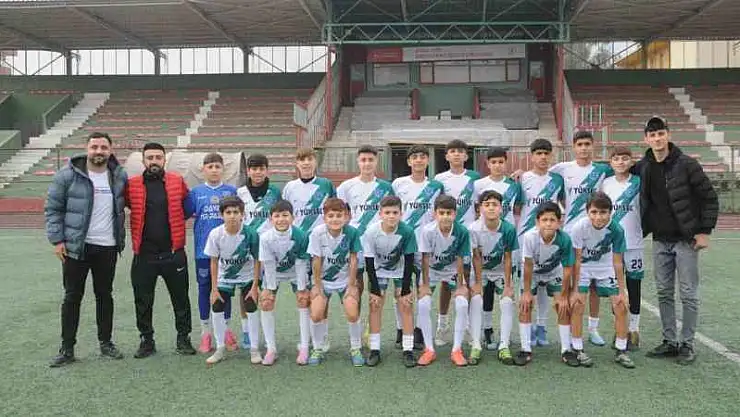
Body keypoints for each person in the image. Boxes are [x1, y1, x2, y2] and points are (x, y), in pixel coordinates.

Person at [634, 116, 718, 365]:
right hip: (660, 240)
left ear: (668, 135)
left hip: (685, 240)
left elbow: (709, 198)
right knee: (663, 292)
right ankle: (670, 341)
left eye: (661, 133)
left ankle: (687, 344)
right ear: (646, 139)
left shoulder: (687, 164)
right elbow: (619, 170)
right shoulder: (644, 166)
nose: (657, 138)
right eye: (652, 135)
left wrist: (704, 231)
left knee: (688, 293)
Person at [45, 132, 128, 367]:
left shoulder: (119, 175)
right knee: (72, 297)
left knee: (105, 295)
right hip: (76, 248)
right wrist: (57, 240)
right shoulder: (67, 175)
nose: (99, 151)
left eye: (103, 147)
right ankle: (67, 348)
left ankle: (106, 343)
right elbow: (53, 208)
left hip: (107, 246)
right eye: (94, 147)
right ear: (87, 149)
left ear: (110, 150)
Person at [126, 142, 196, 358]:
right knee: (143, 300)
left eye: (158, 157)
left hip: (173, 253)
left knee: (181, 298)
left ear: (165, 160)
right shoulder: (132, 185)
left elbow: (187, 208)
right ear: (143, 161)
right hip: (144, 254)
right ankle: (146, 340)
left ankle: (183, 338)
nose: (154, 161)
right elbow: (128, 205)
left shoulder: (177, 181)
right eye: (150, 157)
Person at [548, 131, 613, 347]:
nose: (584, 148)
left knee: (593, 285)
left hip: (595, 232)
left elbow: (624, 169)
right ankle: (568, 330)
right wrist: (520, 173)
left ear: (593, 146)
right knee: (568, 282)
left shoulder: (602, 170)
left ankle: (593, 329)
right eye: (580, 144)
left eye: (587, 144)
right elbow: (540, 174)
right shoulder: (562, 168)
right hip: (570, 233)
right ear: (573, 147)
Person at [569, 192, 634, 368]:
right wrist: (575, 290)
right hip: (584, 268)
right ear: (587, 212)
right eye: (594, 212)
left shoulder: (616, 229)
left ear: (610, 213)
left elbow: (618, 261)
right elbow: (577, 260)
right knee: (577, 304)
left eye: (603, 212)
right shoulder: (579, 227)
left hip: (606, 268)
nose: (598, 217)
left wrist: (622, 290)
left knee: (620, 306)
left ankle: (621, 350)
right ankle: (577, 348)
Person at [336, 145, 394, 342]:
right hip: (356, 243)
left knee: (378, 286)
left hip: (380, 243)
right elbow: (340, 213)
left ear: (376, 162)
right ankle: (358, 327)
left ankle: (372, 326)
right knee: (357, 285)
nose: (367, 163)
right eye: (363, 160)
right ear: (358, 162)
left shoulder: (386, 187)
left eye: (371, 160)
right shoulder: (346, 187)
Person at [282, 148, 336, 351]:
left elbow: (334, 210)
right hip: (299, 247)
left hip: (322, 246)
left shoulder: (326, 184)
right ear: (297, 164)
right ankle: (307, 338)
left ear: (315, 162)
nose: (306, 163)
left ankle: (323, 336)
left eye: (309, 159)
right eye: (302, 160)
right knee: (303, 293)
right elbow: (285, 214)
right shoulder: (290, 187)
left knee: (322, 291)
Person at [185, 153, 238, 354]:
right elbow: (185, 213)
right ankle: (206, 333)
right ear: (203, 170)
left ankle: (225, 330)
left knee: (225, 289)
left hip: (228, 253)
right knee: (204, 289)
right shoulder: (196, 193)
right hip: (203, 252)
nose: (214, 170)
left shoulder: (231, 191)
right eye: (210, 166)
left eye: (217, 166)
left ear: (223, 169)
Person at [391, 145, 443, 349]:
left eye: (423, 156)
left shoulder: (436, 186)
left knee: (423, 290)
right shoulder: (398, 184)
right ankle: (401, 329)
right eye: (415, 157)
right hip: (402, 245)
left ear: (428, 161)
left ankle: (420, 331)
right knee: (400, 290)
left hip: (426, 246)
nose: (419, 160)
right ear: (409, 161)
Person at [516, 139, 565, 347]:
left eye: (546, 153)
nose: (543, 157)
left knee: (545, 283)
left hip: (550, 238)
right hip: (526, 238)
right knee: (527, 284)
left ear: (551, 155)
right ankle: (527, 328)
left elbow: (563, 204)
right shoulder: (522, 179)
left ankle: (541, 326)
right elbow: (516, 206)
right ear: (532, 156)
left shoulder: (558, 179)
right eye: (538, 153)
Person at [473, 146, 522, 350]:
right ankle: (486, 329)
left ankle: (505, 335)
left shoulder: (514, 185)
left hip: (506, 239)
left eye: (501, 162)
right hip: (485, 238)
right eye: (493, 162)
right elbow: (476, 209)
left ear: (506, 162)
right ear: (487, 164)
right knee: (486, 290)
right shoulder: (478, 184)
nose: (497, 165)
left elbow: (519, 207)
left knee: (506, 291)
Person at [432, 139, 480, 346]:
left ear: (466, 156)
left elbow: (481, 203)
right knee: (445, 281)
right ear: (446, 156)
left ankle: (467, 326)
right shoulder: (439, 179)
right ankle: (442, 326)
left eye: (461, 151)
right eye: (452, 151)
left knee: (466, 280)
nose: (457, 154)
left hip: (467, 235)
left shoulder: (476, 178)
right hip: (446, 235)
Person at [203, 197, 261, 365]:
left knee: (251, 305)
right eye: (228, 212)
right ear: (222, 215)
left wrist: (255, 286)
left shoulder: (251, 233)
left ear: (242, 214)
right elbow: (214, 262)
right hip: (225, 277)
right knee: (217, 305)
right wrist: (214, 288)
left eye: (236, 212)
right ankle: (220, 348)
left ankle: (254, 349)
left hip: (247, 276)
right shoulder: (215, 234)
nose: (232, 216)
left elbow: (258, 260)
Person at [307, 198, 364, 367]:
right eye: (331, 216)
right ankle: (317, 348)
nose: (335, 219)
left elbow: (353, 260)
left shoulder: (352, 232)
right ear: (324, 218)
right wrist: (317, 286)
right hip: (324, 281)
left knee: (352, 313)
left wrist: (351, 285)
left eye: (339, 215)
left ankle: (356, 348)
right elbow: (316, 260)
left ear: (346, 217)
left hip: (345, 281)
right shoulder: (317, 233)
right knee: (316, 314)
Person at [362, 196, 418, 368]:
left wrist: (406, 288)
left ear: (401, 214)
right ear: (380, 214)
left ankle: (408, 349)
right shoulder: (371, 232)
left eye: (395, 212)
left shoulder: (407, 231)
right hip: (378, 270)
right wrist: (375, 290)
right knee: (375, 305)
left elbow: (409, 259)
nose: (391, 216)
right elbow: (369, 262)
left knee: (406, 305)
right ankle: (375, 349)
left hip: (401, 270)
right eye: (387, 212)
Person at [518, 202, 576, 367]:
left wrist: (563, 296)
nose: (548, 224)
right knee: (525, 304)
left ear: (559, 223)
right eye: (544, 220)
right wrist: (527, 292)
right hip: (533, 273)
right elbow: (528, 265)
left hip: (554, 273)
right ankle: (525, 349)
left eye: (552, 220)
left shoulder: (564, 239)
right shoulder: (530, 237)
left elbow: (567, 269)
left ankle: (566, 349)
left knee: (562, 306)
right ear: (537, 222)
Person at [417, 195, 472, 367]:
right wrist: (425, 284)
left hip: (453, 271)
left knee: (462, 304)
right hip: (432, 271)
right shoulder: (427, 231)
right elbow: (425, 258)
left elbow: (461, 258)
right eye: (441, 213)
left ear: (455, 214)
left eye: (449, 213)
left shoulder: (462, 231)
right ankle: (429, 349)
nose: (445, 216)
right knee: (423, 304)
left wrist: (461, 285)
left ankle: (456, 350)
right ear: (435, 214)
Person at [236, 153, 282, 349]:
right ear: (248, 171)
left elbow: (279, 217)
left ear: (267, 170)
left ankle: (267, 331)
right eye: (254, 169)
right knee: (246, 290)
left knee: (269, 290)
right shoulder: (240, 193)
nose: (257, 172)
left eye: (261, 168)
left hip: (270, 249)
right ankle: (247, 331)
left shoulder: (275, 192)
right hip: (247, 248)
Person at [257, 200, 311, 365]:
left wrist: (301, 288)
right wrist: (270, 289)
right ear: (270, 219)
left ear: (292, 217)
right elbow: (268, 264)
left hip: (296, 271)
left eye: (285, 215)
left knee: (303, 300)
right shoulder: (265, 237)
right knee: (266, 302)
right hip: (275, 273)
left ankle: (304, 347)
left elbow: (301, 263)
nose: (281, 219)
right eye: (277, 216)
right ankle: (271, 349)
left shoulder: (301, 235)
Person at [470, 190, 519, 365]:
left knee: (507, 301)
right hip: (481, 271)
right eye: (487, 204)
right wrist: (477, 283)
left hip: (500, 271)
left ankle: (504, 345)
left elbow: (508, 257)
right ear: (480, 208)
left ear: (501, 208)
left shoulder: (508, 229)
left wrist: (508, 285)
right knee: (476, 299)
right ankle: (476, 344)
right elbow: (476, 257)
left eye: (495, 204)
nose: (491, 208)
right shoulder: (473, 228)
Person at [602, 146, 643, 349]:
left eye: (625, 158)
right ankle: (620, 329)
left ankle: (634, 329)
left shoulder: (639, 183)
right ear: (611, 163)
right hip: (612, 244)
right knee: (615, 288)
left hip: (634, 243)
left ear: (631, 162)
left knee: (634, 286)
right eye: (616, 159)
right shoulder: (605, 184)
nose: (620, 162)